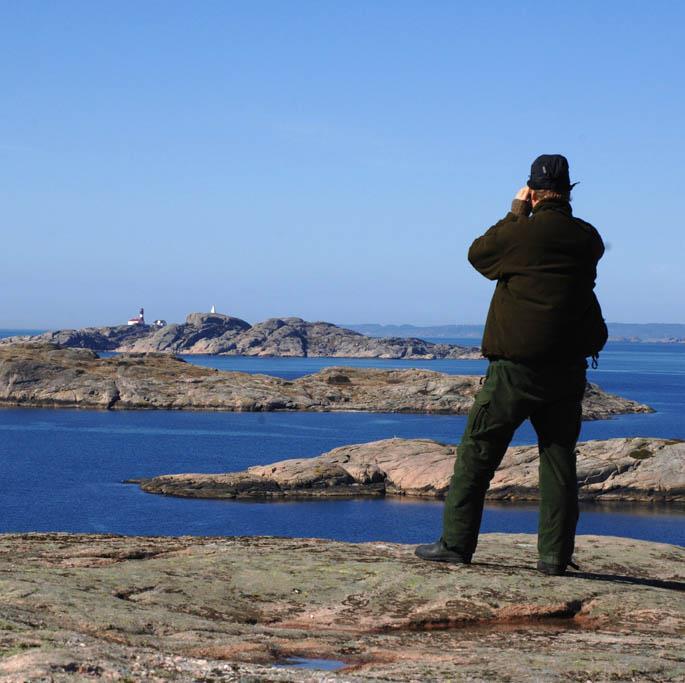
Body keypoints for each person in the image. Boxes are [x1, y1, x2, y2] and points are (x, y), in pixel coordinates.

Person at [415, 154, 607, 576]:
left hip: (513, 371)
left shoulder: (521, 234)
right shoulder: (587, 239)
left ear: (533, 190)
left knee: (477, 455)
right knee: (558, 460)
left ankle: (455, 544)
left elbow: (479, 255)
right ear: (569, 191)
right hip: (568, 370)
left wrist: (516, 211)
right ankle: (554, 558)